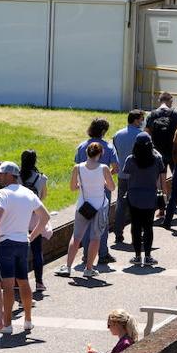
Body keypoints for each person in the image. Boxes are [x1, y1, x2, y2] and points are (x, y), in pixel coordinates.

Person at [0, 160, 50, 333]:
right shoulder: (28, 194)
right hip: (23, 243)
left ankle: (7, 325)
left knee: (7, 285)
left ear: (9, 175)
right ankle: (28, 320)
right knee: (24, 281)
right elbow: (44, 217)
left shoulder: (3, 193)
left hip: (5, 243)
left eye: (1, 173)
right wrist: (31, 236)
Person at [56, 142, 114, 279]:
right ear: (100, 154)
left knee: (76, 237)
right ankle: (89, 269)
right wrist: (103, 183)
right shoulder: (104, 168)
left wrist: (82, 185)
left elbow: (72, 187)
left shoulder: (78, 168)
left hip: (83, 206)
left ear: (87, 152)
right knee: (95, 238)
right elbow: (111, 187)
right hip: (99, 206)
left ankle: (68, 267)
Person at [73, 120, 119, 264]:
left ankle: (87, 255)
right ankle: (103, 253)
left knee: (86, 222)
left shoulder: (82, 146)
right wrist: (105, 177)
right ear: (104, 131)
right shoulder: (109, 147)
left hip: (85, 192)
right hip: (102, 191)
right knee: (101, 224)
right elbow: (116, 168)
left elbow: (77, 165)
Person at [122, 134, 166, 266]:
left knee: (135, 227)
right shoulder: (157, 159)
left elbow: (126, 174)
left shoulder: (131, 159)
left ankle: (136, 256)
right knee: (148, 227)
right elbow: (161, 173)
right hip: (150, 197)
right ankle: (147, 256)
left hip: (134, 197)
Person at [111, 110, 147, 245]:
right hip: (138, 176)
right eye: (141, 119)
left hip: (122, 175)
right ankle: (137, 234)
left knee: (121, 204)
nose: (142, 121)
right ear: (136, 120)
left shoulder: (117, 135)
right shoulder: (142, 136)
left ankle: (118, 233)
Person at [146, 92, 177, 217]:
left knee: (159, 182)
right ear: (170, 101)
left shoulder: (152, 115)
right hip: (174, 152)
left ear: (159, 100)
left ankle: (161, 209)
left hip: (158, 153)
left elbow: (147, 134)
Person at [19, 150, 50, 292]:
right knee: (37, 251)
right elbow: (43, 197)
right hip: (35, 218)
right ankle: (39, 282)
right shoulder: (41, 178)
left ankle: (19, 281)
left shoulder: (16, 177)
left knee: (20, 252)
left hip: (20, 217)